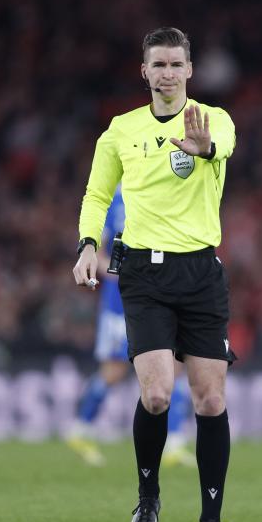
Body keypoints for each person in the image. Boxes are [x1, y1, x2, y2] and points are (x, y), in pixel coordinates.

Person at [73, 27, 236, 522]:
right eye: (158, 65)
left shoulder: (216, 121)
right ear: (144, 71)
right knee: (158, 393)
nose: (167, 73)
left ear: (190, 70)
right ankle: (149, 499)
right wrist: (85, 245)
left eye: (175, 65)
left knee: (210, 400)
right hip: (143, 274)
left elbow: (220, 148)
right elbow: (97, 193)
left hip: (200, 273)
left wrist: (203, 147)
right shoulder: (121, 130)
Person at [68, 187, 195, 468]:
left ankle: (174, 442)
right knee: (114, 370)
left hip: (158, 291)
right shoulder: (114, 197)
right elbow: (98, 250)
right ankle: (80, 428)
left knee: (173, 362)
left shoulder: (156, 187)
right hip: (120, 297)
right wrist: (115, 272)